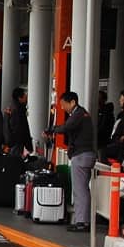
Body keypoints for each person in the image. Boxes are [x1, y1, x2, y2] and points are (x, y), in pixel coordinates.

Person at [43, 91, 96, 232]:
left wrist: (51, 130)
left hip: (82, 155)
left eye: (64, 104)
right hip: (83, 154)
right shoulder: (80, 114)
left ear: (72, 102)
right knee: (81, 189)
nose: (62, 107)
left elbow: (66, 127)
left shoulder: (79, 114)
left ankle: (82, 222)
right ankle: (81, 220)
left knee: (80, 190)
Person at [5, 87, 33, 157]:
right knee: (15, 162)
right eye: (24, 95)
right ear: (19, 98)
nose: (26, 97)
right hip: (16, 142)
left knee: (10, 162)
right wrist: (29, 145)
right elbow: (22, 128)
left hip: (9, 141)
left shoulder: (9, 107)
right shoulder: (18, 109)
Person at [98, 90, 115, 155]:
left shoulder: (107, 113)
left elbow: (103, 127)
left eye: (99, 98)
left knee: (101, 160)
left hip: (102, 142)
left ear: (104, 100)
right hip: (99, 142)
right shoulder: (98, 111)